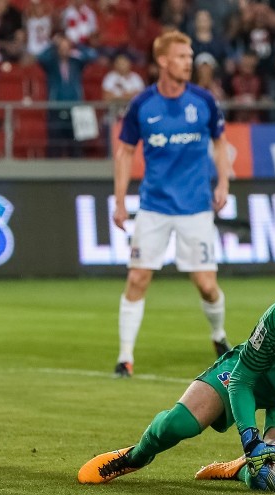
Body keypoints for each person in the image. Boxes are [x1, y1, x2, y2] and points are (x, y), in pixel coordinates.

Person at [78, 277, 275, 492]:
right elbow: (244, 378)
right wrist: (250, 437)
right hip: (259, 375)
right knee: (179, 424)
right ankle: (135, 456)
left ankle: (241, 470)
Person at [112, 30, 232, 379]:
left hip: (195, 207)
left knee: (207, 286)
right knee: (137, 278)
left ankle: (219, 335)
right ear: (162, 61)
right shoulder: (142, 105)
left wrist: (223, 182)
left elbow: (221, 143)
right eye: (181, 56)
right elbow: (125, 152)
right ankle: (124, 358)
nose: (187, 63)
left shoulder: (203, 101)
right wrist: (120, 201)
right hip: (154, 207)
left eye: (189, 56)